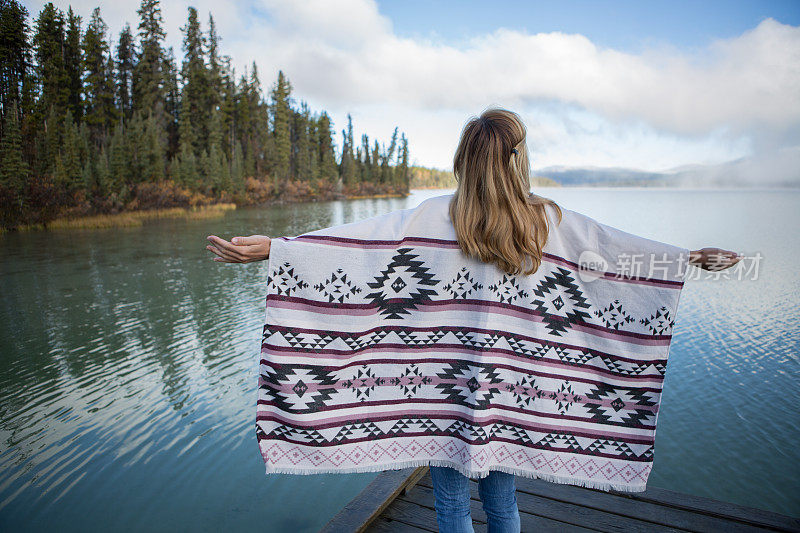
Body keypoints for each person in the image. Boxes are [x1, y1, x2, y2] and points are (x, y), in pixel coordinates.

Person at [206, 108, 741, 533]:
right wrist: (688, 258)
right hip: (505, 391)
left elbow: (358, 246)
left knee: (449, 502)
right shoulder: (547, 221)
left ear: (465, 158)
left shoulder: (432, 217)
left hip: (442, 390)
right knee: (503, 500)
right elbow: (611, 253)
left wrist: (277, 250)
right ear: (516, 160)